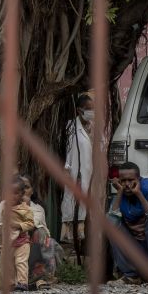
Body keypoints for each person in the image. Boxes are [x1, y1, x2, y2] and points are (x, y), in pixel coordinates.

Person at [107, 162, 148, 284]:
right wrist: (119, 193)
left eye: (131, 180)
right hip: (135, 248)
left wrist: (139, 194)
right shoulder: (119, 198)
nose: (127, 184)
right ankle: (131, 276)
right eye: (123, 181)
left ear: (138, 180)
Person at [61, 94, 93, 243]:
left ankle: (80, 228)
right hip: (72, 168)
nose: (91, 112)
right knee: (69, 196)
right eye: (88, 109)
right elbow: (67, 150)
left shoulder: (91, 128)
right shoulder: (71, 126)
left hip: (87, 170)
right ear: (79, 110)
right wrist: (67, 168)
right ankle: (66, 229)